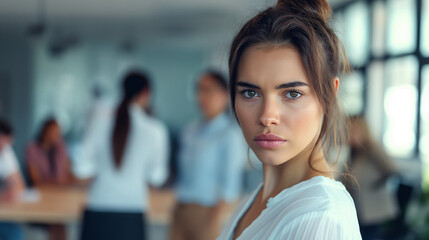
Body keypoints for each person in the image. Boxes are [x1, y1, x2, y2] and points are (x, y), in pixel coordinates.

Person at [217, 0, 362, 239]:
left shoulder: (318, 216)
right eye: (250, 93)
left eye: (292, 94)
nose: (267, 117)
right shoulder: (258, 198)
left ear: (330, 95)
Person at [80, 71, 169, 240]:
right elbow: (157, 177)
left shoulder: (99, 122)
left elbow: (83, 168)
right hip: (132, 211)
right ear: (146, 93)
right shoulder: (155, 130)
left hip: (98, 208)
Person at [170, 71, 247, 240]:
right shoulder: (190, 131)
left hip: (209, 211)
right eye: (199, 90)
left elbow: (230, 183)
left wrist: (215, 220)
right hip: (181, 208)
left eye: (208, 90)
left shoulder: (229, 134)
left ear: (224, 95)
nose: (201, 96)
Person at [346, 116, 399, 239]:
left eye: (353, 130)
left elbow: (391, 169)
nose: (350, 134)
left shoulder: (371, 147)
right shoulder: (353, 150)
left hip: (372, 205)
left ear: (363, 130)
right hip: (358, 205)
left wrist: (374, 184)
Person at [26, 118, 73, 186]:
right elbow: (36, 180)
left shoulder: (60, 148)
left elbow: (69, 173)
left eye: (58, 133)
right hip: (43, 191)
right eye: (55, 132)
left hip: (62, 190)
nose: (58, 136)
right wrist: (59, 182)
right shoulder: (32, 149)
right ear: (45, 131)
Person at [0, 118, 25, 240]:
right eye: (6, 140)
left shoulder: (4, 151)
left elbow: (19, 183)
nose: (9, 144)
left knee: (15, 232)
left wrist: (11, 190)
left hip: (3, 214)